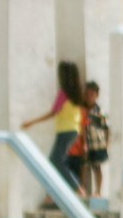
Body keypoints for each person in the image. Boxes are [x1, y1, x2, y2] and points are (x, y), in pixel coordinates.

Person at [22, 61, 85, 190]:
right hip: (73, 130)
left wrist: (32, 122)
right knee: (56, 161)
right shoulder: (77, 94)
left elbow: (53, 113)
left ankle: (77, 188)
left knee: (56, 161)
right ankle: (63, 189)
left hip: (65, 131)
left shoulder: (63, 94)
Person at [79, 81, 110, 199]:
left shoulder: (100, 111)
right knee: (84, 166)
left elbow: (106, 128)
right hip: (85, 142)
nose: (88, 97)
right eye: (86, 94)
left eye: (91, 94)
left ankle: (98, 191)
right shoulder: (82, 109)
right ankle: (82, 189)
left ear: (96, 95)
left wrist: (107, 143)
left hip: (98, 143)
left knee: (97, 167)